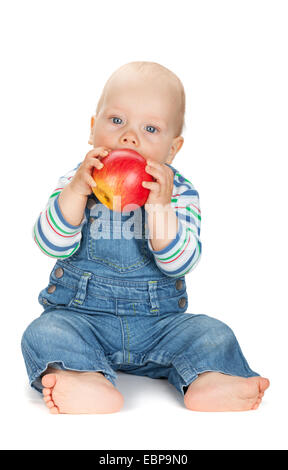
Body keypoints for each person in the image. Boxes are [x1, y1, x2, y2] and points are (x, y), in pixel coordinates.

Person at [21, 61, 269, 414]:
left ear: (172, 149)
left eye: (150, 128)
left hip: (160, 327)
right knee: (44, 332)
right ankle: (82, 376)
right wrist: (76, 191)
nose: (129, 137)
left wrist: (159, 209)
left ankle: (211, 378)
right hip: (82, 319)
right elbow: (49, 242)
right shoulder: (79, 181)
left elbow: (179, 262)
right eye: (117, 121)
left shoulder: (179, 193)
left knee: (213, 333)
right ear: (93, 129)